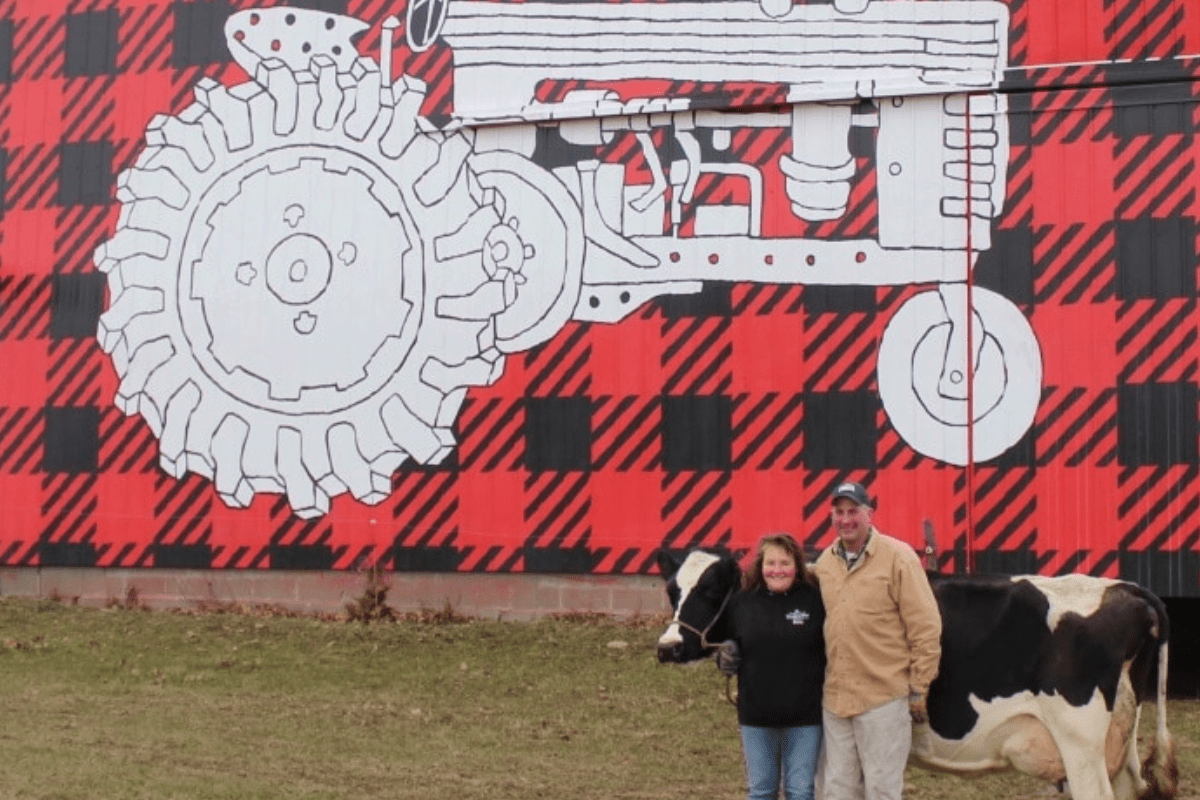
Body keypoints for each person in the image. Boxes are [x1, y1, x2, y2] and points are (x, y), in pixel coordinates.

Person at [812, 481, 942, 800]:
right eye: (838, 512)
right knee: (836, 791)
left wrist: (919, 687)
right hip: (837, 699)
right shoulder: (825, 564)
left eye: (853, 511)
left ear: (869, 514)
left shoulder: (898, 558)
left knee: (882, 789)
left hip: (882, 698)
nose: (845, 519)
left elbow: (925, 626)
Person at [716, 532, 826, 800]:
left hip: (805, 718)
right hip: (756, 718)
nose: (777, 570)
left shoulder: (815, 601)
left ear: (797, 567)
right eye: (771, 563)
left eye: (785, 563)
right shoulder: (742, 603)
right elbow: (727, 644)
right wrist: (725, 656)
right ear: (760, 565)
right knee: (761, 790)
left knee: (800, 791)